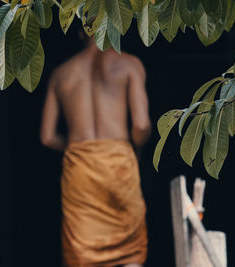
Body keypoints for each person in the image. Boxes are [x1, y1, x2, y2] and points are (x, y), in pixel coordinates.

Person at [40, 32, 152, 267]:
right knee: (130, 253)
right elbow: (141, 125)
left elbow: (47, 137)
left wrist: (79, 147)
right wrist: (134, 149)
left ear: (80, 31)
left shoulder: (61, 73)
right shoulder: (129, 64)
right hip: (119, 164)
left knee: (83, 254)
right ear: (117, 25)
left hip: (80, 169)